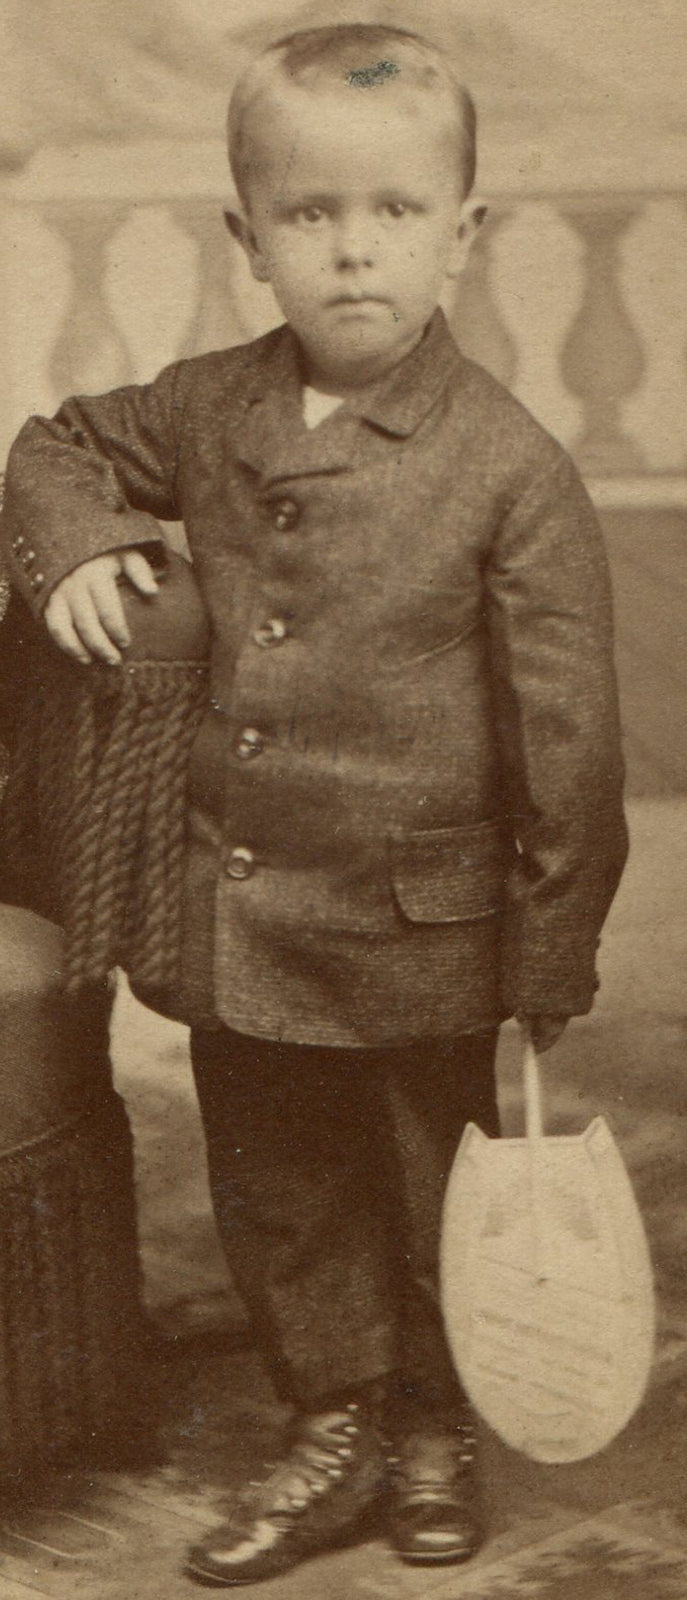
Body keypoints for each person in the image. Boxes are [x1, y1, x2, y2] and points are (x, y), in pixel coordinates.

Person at [0, 23, 629, 1586]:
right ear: (249, 239)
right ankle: (334, 1421)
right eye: (311, 214)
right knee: (279, 1185)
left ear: (461, 233)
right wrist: (79, 548)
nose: (355, 251)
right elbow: (54, 446)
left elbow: (569, 742)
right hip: (246, 911)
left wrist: (550, 948)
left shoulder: (509, 468)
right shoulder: (212, 406)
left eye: (395, 212)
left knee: (425, 1189)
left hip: (425, 928)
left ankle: (433, 1426)